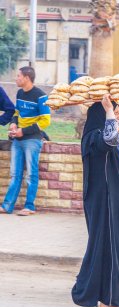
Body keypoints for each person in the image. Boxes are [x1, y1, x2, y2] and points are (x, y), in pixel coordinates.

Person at [72, 95, 119, 307]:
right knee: (110, 249)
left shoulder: (112, 139)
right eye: (109, 113)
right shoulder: (94, 138)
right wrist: (109, 111)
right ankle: (108, 302)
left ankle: (116, 293)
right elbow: (109, 139)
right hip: (107, 203)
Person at [0, 66, 51, 216]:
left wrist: (24, 131)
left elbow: (45, 121)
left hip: (32, 140)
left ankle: (29, 206)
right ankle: (7, 206)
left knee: (31, 174)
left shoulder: (41, 96)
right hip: (18, 139)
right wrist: (14, 123)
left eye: (18, 76)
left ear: (27, 78)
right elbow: (16, 112)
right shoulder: (20, 93)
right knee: (15, 174)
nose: (16, 78)